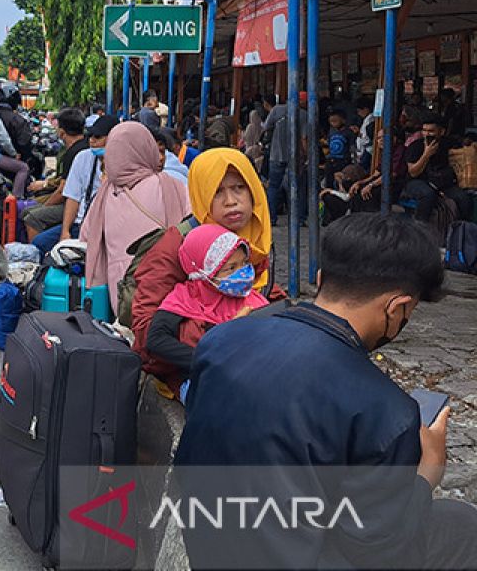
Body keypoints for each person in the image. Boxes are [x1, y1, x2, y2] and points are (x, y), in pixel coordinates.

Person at [174, 214, 477, 570]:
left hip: (211, 543)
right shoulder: (385, 410)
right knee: (463, 527)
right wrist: (427, 473)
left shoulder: (220, 341)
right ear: (398, 308)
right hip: (298, 552)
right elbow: (382, 551)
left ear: (320, 281)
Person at [130, 148, 276, 397]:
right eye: (217, 191)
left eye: (239, 188)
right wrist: (216, 341)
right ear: (201, 195)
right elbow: (146, 331)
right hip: (190, 369)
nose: (231, 201)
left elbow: (269, 293)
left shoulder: (256, 239)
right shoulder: (178, 244)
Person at [146, 224, 271, 402]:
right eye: (231, 267)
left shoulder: (253, 300)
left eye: (244, 263)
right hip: (200, 380)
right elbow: (156, 340)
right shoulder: (184, 298)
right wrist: (208, 358)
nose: (242, 272)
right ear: (205, 272)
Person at [79, 122, 189, 311]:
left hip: (122, 294)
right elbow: (192, 226)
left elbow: (86, 238)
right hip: (167, 286)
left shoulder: (104, 195)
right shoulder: (170, 186)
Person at [32, 114, 117, 255]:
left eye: (98, 137)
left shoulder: (126, 162)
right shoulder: (83, 158)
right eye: (90, 136)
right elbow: (73, 197)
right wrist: (65, 232)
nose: (91, 141)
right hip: (81, 223)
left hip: (108, 229)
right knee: (40, 243)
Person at [22, 108, 86, 240]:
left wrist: (44, 207)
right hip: (78, 200)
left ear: (62, 132)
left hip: (76, 205)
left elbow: (63, 191)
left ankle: (35, 254)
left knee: (31, 217)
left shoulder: (73, 153)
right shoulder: (84, 146)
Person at [405, 114, 468, 226]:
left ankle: (458, 231)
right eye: (424, 130)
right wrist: (426, 155)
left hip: (442, 182)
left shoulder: (447, 144)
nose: (427, 134)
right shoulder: (416, 146)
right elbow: (413, 172)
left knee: (463, 199)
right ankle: (420, 228)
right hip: (417, 181)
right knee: (428, 195)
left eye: (431, 131)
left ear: (441, 131)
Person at [264, 92, 309, 224]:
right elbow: (304, 139)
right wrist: (306, 156)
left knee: (273, 186)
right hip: (295, 156)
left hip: (276, 154)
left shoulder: (277, 110)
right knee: (297, 187)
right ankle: (299, 219)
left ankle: (271, 218)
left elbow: (266, 127)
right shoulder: (304, 115)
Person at [323, 107, 356, 182]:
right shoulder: (331, 132)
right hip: (331, 160)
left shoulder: (348, 132)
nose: (333, 123)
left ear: (343, 120)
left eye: (335, 121)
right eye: (331, 121)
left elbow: (352, 147)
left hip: (343, 161)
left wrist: (353, 161)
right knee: (329, 180)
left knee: (340, 181)